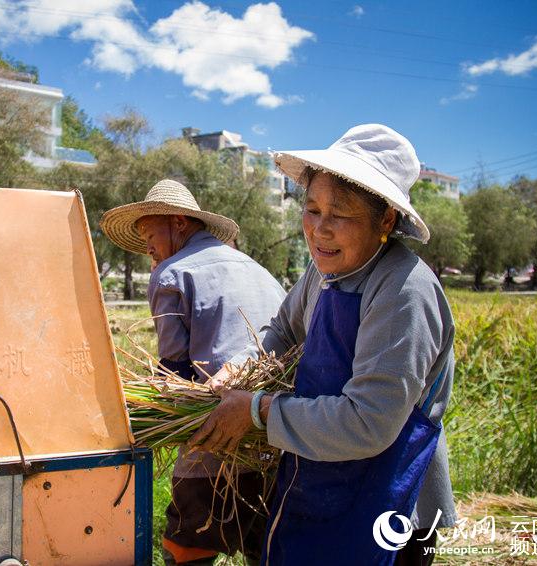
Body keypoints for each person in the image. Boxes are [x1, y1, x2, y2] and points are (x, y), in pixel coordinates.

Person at [189, 124, 457, 565]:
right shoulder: (325, 271)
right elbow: (283, 331)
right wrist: (242, 368)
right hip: (324, 474)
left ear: (386, 220)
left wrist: (257, 411)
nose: (319, 230)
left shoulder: (402, 291)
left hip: (390, 499)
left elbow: (368, 421)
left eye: (341, 215)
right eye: (311, 210)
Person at [101, 179, 286, 565]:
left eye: (150, 234)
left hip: (217, 428)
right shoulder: (259, 269)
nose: (148, 248)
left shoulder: (171, 274)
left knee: (188, 544)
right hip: (278, 428)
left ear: (179, 222)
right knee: (265, 544)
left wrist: (146, 412)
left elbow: (175, 369)